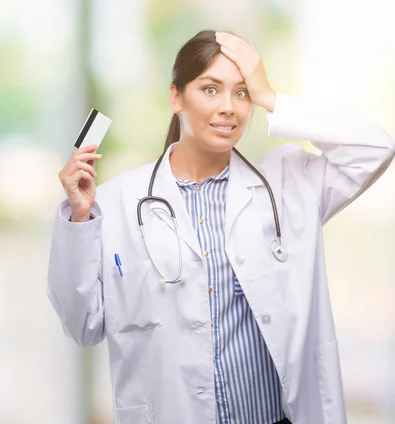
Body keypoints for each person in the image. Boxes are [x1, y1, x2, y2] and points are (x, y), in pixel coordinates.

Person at [47, 29, 395, 424]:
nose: (228, 106)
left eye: (241, 93)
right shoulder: (116, 202)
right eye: (210, 89)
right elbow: (83, 325)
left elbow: (375, 148)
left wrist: (271, 96)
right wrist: (78, 219)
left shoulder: (289, 184)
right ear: (176, 96)